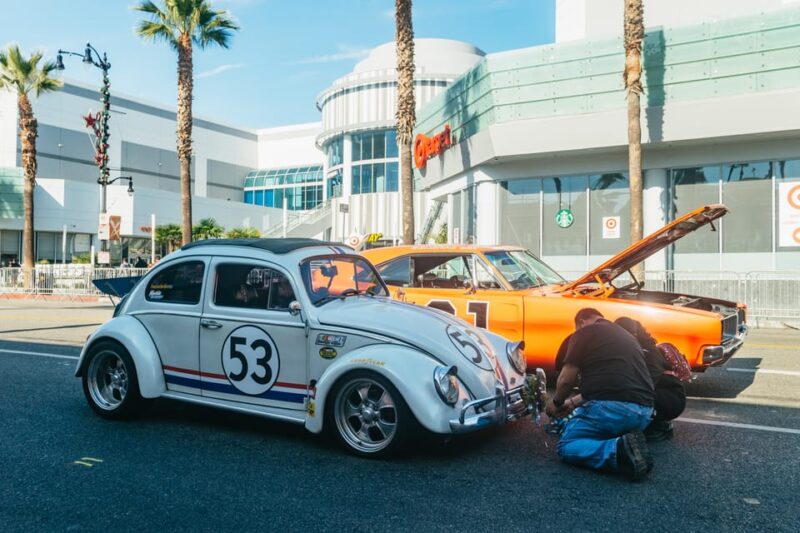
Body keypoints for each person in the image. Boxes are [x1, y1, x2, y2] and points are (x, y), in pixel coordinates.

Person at [546, 308, 655, 481]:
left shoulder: (584, 332)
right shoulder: (626, 336)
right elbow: (612, 384)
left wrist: (557, 402)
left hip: (614, 411)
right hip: (644, 414)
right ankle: (623, 441)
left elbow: (567, 380)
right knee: (596, 424)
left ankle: (616, 450)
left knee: (567, 446)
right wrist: (573, 403)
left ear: (581, 322)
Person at [614, 317, 687, 441]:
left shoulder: (647, 352)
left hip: (670, 399)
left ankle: (660, 425)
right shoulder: (640, 348)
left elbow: (648, 382)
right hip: (666, 394)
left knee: (632, 393)